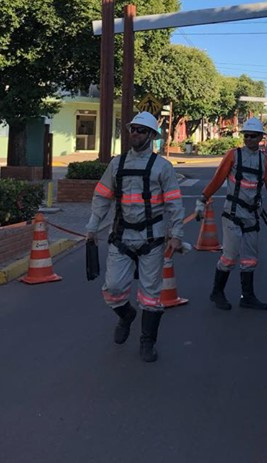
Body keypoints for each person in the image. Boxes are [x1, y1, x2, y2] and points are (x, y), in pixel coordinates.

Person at [86, 111, 185, 363]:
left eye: (141, 130)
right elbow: (102, 196)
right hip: (121, 237)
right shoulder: (116, 164)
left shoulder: (163, 167)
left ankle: (147, 341)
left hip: (152, 240)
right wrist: (92, 226)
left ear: (152, 136)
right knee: (113, 289)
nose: (135, 134)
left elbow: (174, 203)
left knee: (151, 295)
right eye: (133, 129)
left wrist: (175, 234)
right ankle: (126, 315)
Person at [195, 117, 267, 311]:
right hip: (233, 213)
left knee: (250, 259)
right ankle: (217, 292)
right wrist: (202, 199)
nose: (249, 139)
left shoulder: (264, 161)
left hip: (252, 215)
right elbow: (217, 179)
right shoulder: (233, 155)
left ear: (261, 138)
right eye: (246, 135)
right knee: (229, 256)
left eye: (253, 136)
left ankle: (247, 296)